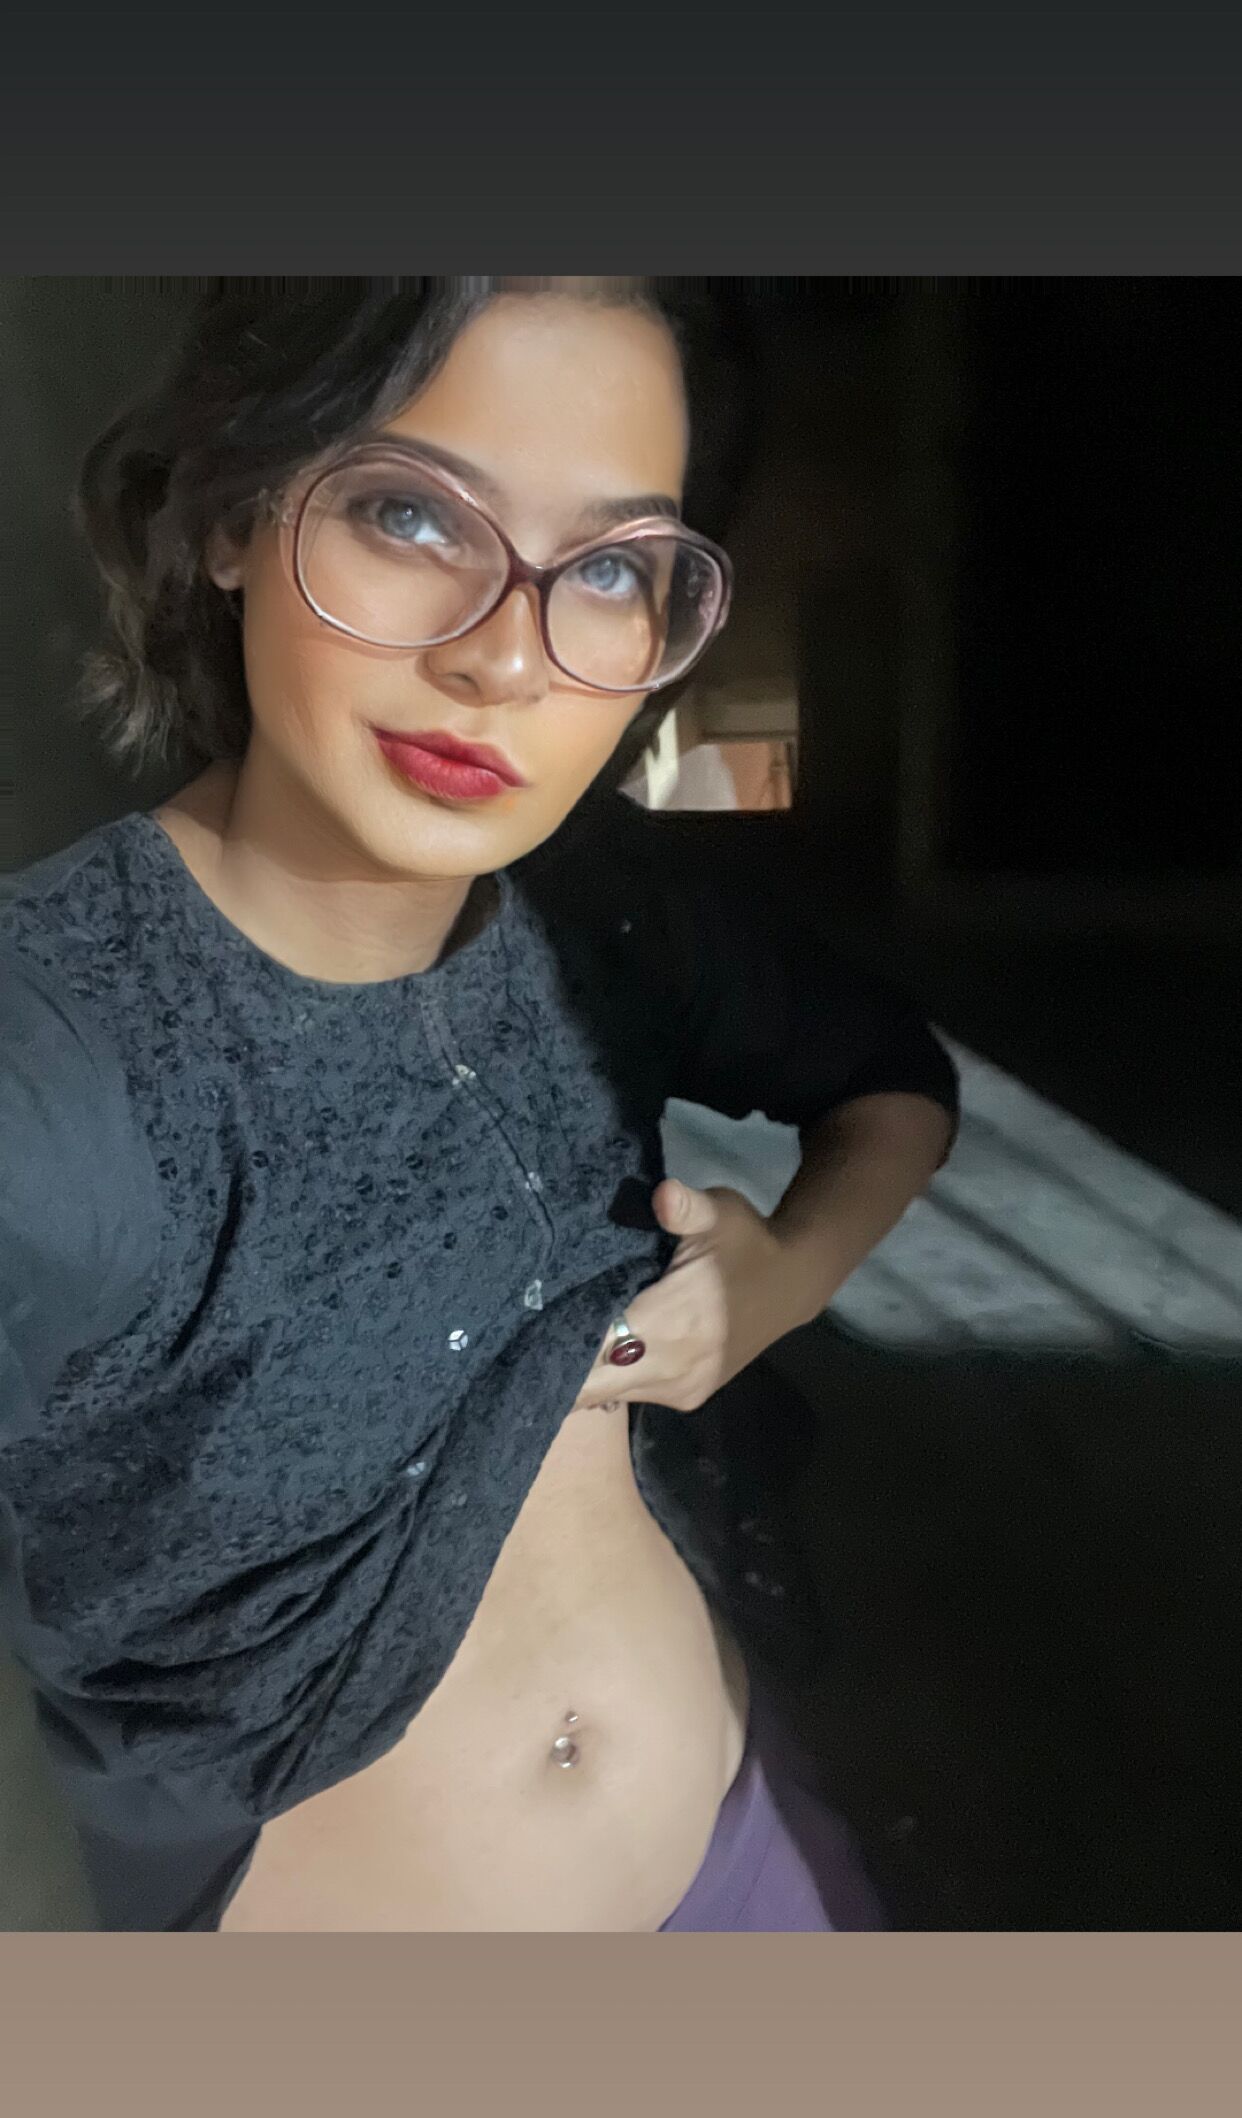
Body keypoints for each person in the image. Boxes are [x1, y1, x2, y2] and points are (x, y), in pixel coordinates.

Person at [0, 277, 958, 1932]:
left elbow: (892, 1083)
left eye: (609, 568)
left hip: (750, 1851)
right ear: (230, 516)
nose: (502, 657)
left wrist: (781, 1280)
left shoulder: (601, 916)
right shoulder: (62, 1049)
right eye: (408, 514)